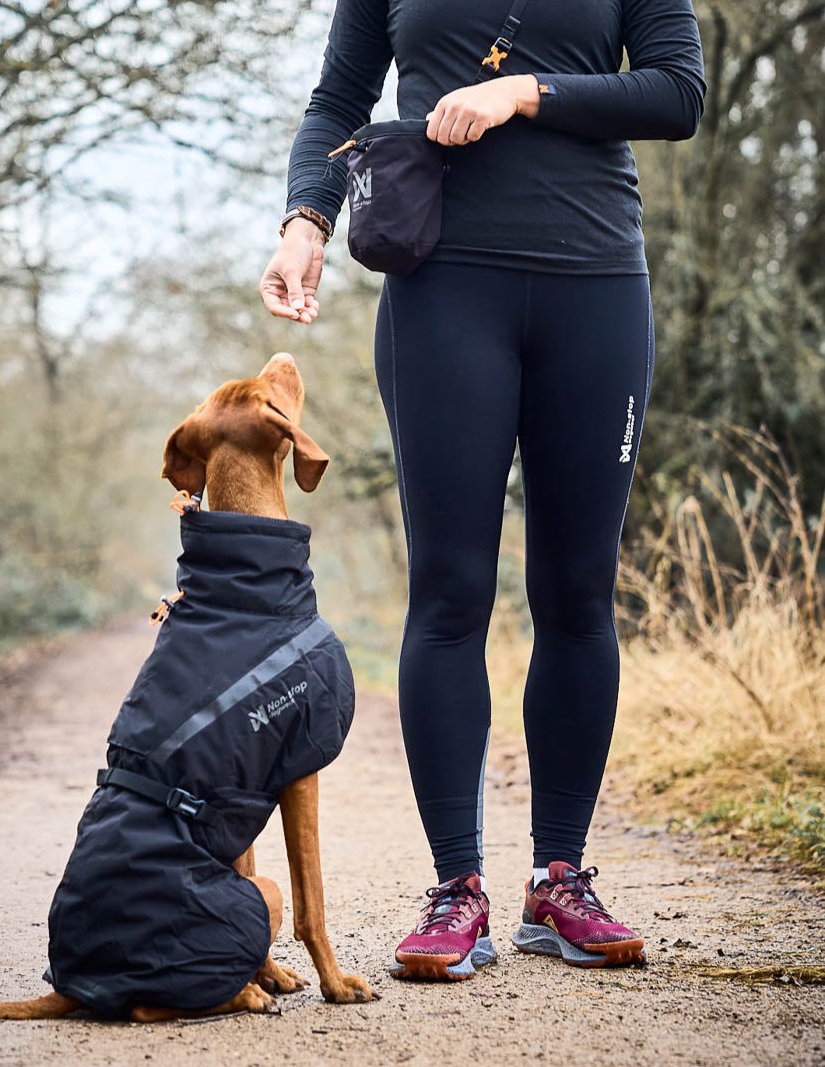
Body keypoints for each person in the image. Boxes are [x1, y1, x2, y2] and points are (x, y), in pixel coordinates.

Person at [259, 0, 705, 978]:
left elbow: (677, 94)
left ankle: (560, 878)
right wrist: (304, 220)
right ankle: (455, 886)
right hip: (442, 289)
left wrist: (524, 91)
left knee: (577, 589)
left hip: (594, 283)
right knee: (451, 589)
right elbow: (337, 98)